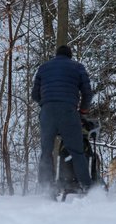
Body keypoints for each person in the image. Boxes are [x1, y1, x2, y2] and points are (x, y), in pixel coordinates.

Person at [32, 45, 93, 196]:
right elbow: (87, 93)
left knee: (46, 151)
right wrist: (83, 110)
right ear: (70, 56)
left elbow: (34, 94)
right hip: (68, 112)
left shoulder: (43, 68)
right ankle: (87, 188)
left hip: (47, 113)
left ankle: (47, 187)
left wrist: (45, 104)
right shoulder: (78, 67)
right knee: (77, 151)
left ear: (56, 55)